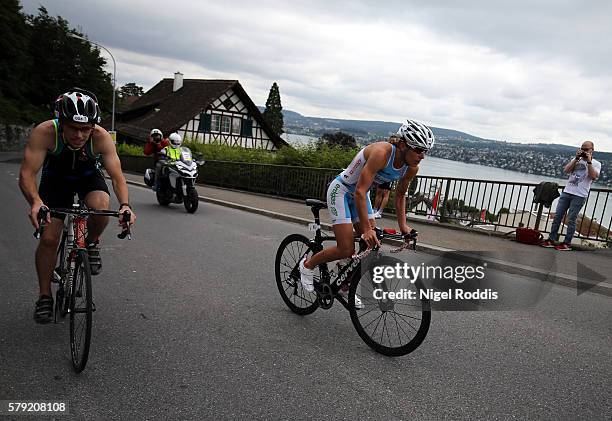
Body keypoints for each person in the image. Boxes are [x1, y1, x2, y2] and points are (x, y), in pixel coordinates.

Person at [19, 89, 137, 323]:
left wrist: (125, 205)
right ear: (61, 122)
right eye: (73, 128)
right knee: (50, 238)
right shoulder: (45, 132)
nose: (80, 135)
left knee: (101, 206)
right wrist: (36, 202)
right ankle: (44, 296)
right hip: (56, 181)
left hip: (87, 177)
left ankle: (91, 242)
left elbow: (117, 177)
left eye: (86, 129)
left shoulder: (100, 137)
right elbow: (27, 174)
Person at [299, 119, 432, 304]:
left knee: (372, 244)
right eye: (418, 149)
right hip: (343, 191)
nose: (422, 155)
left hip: (361, 195)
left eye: (425, 151)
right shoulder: (381, 153)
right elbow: (359, 190)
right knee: (346, 247)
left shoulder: (411, 168)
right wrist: (367, 230)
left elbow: (400, 196)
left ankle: (345, 284)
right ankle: (307, 265)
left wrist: (403, 227)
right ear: (403, 145)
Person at [540, 141, 601, 251]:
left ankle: (567, 243)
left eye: (587, 149)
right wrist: (576, 159)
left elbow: (593, 177)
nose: (584, 151)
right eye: (583, 148)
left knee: (571, 220)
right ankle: (551, 239)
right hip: (567, 192)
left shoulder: (596, 163)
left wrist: (589, 162)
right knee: (557, 216)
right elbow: (566, 170)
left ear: (592, 150)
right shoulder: (576, 160)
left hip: (579, 195)